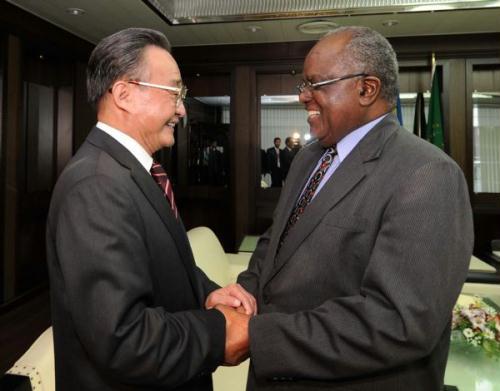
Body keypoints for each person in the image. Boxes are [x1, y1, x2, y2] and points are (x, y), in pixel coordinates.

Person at [237, 26, 473, 390]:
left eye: (316, 84)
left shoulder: (428, 174)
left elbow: (398, 321)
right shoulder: (308, 158)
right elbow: (276, 243)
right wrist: (242, 298)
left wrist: (257, 336)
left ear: (367, 89)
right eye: (304, 84)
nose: (303, 96)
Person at [46, 28, 253, 390]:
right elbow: (123, 338)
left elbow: (157, 263)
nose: (182, 109)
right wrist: (219, 331)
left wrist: (205, 291)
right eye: (175, 92)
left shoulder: (136, 171)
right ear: (124, 94)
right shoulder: (96, 185)